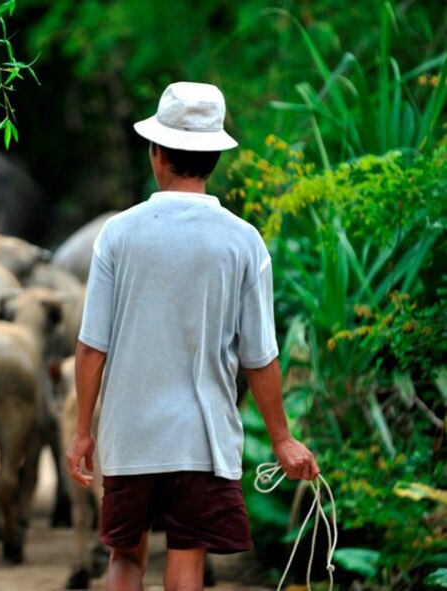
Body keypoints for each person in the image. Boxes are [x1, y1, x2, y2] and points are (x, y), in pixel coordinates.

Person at [65, 81, 320, 591]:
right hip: (201, 440)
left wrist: (82, 430)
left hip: (131, 435)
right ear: (214, 158)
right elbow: (260, 357)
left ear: (157, 153)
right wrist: (282, 438)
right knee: (187, 561)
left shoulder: (118, 233)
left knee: (125, 556)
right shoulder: (244, 241)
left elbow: (92, 347)